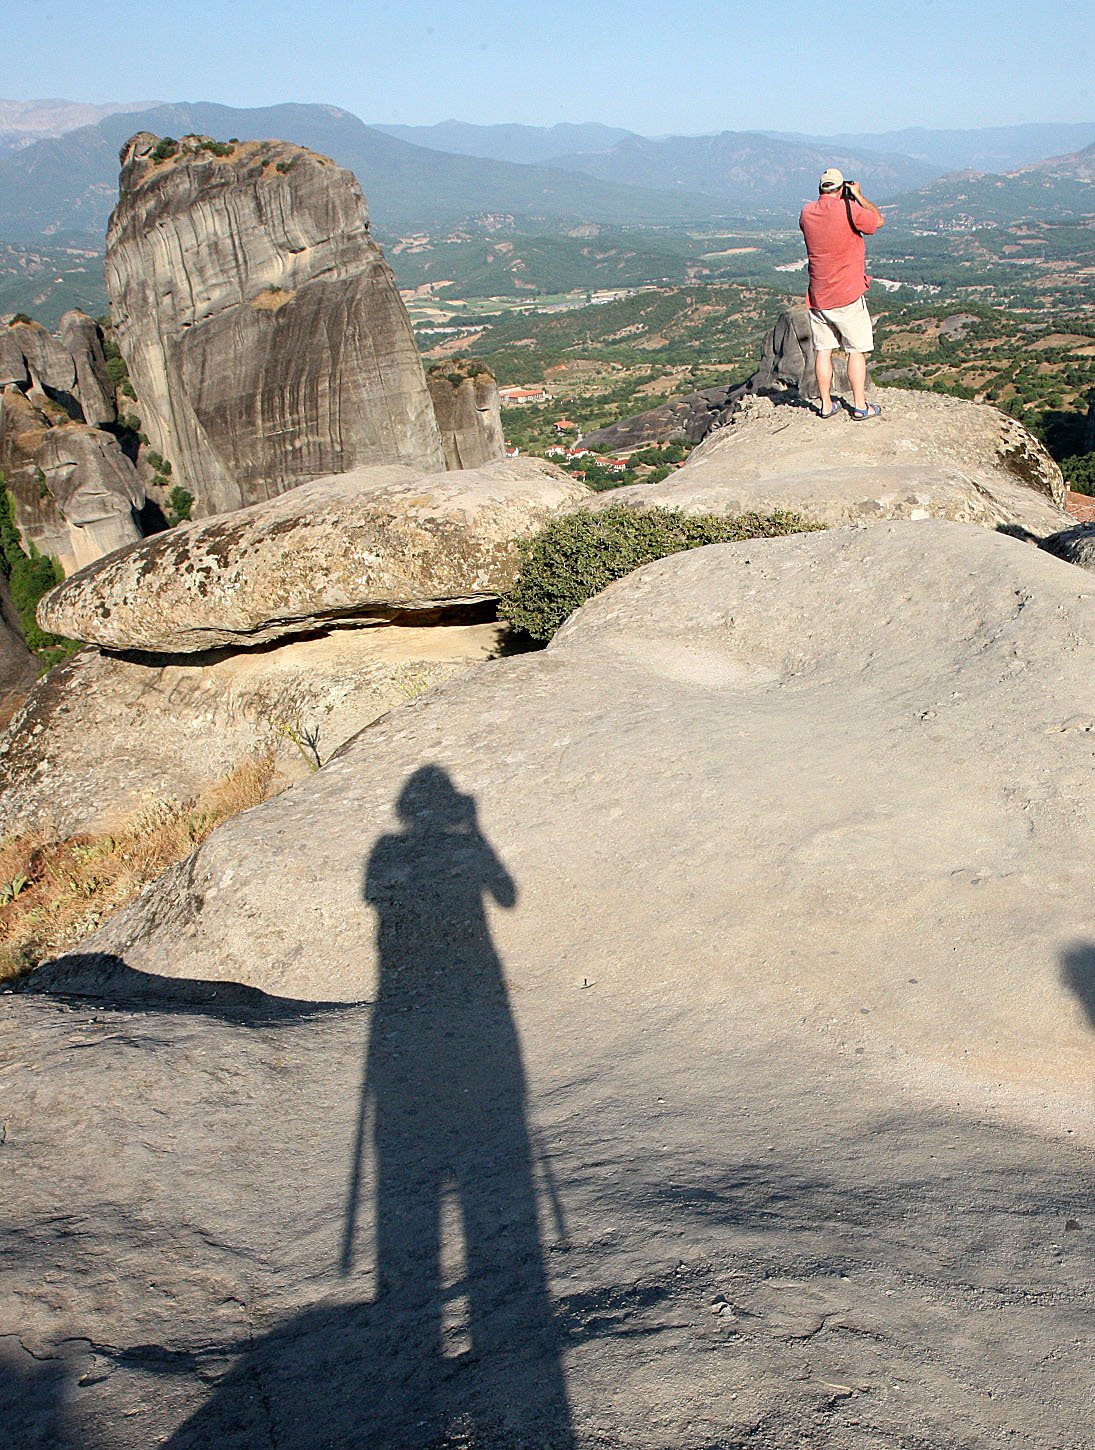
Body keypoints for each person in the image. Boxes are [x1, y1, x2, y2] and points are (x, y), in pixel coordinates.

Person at [799, 167, 885, 420]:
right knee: (855, 350)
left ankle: (826, 405)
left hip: (818, 294)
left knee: (823, 350)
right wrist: (858, 196)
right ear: (841, 188)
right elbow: (877, 221)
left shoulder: (806, 213)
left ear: (820, 188)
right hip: (846, 293)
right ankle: (860, 406)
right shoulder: (849, 209)